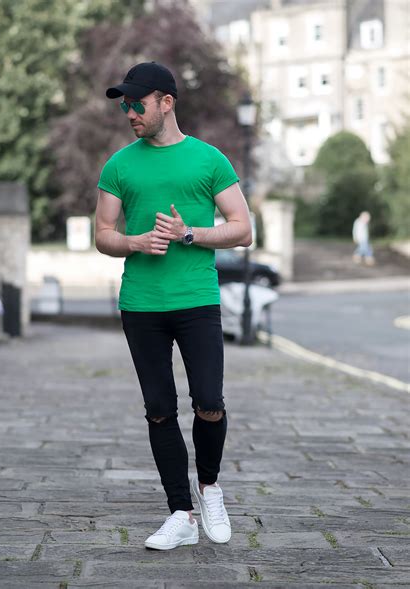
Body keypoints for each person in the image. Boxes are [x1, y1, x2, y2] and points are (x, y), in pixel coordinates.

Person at [95, 62, 252, 550]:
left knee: (208, 401)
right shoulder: (119, 165)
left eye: (137, 103)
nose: (129, 113)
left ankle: (209, 488)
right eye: (124, 104)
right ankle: (180, 514)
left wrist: (190, 233)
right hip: (141, 303)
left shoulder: (209, 161)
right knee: (159, 410)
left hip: (196, 300)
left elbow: (243, 229)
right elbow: (102, 235)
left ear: (167, 102)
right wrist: (135, 243)